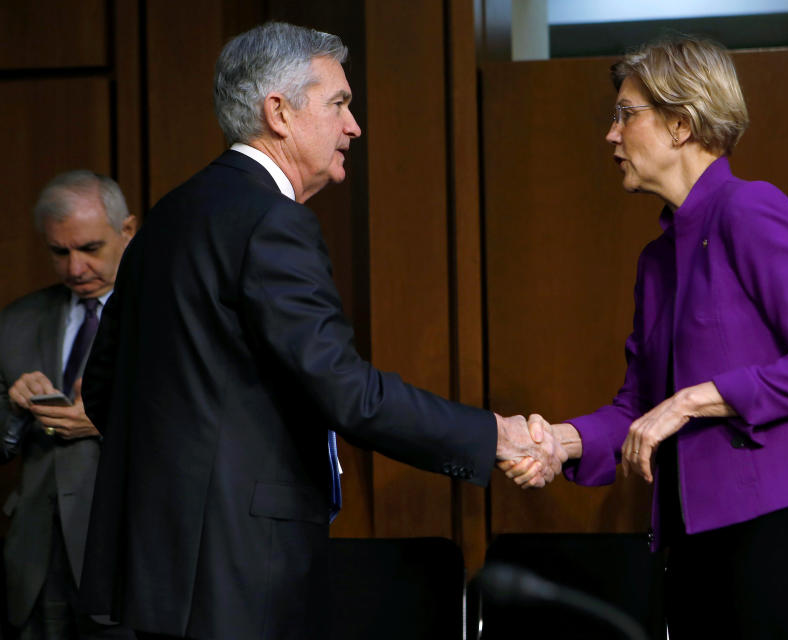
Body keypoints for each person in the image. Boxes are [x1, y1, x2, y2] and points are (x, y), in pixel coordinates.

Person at [77, 22, 563, 640]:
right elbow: (346, 393)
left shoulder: (166, 219)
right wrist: (491, 433)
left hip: (158, 573)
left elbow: (103, 388)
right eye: (339, 104)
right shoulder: (272, 222)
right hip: (244, 571)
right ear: (278, 112)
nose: (353, 125)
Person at [502, 36, 788, 639]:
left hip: (773, 532)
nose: (610, 135)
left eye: (625, 114)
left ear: (680, 124)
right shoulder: (657, 259)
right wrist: (560, 443)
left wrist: (691, 400)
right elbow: (640, 407)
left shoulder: (752, 210)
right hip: (692, 541)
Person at [0, 171, 136, 639]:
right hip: (37, 561)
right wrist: (15, 412)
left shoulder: (167, 316)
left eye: (90, 248)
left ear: (128, 231)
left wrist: (105, 422)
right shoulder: (17, 321)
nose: (75, 269)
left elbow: (199, 424)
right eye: (60, 253)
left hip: (129, 558)